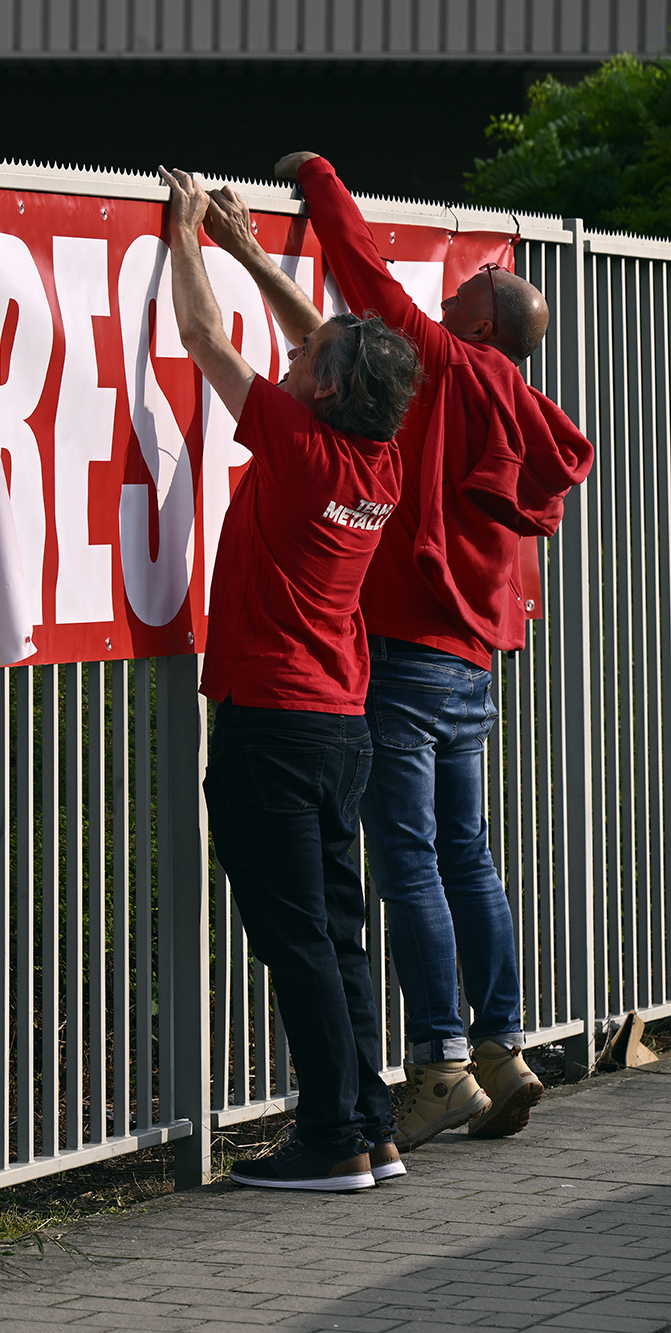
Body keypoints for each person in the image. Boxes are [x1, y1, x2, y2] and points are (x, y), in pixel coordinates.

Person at [208, 154, 594, 1151]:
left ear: (469, 325)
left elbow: (366, 281)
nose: (444, 293)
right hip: (477, 654)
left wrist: (321, 182)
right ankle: (501, 1042)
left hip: (402, 652)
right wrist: (255, 256)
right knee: (467, 853)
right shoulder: (518, 402)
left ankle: (437, 1065)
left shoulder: (443, 365)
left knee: (408, 858)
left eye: (459, 290)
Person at [158, 165, 420, 1192]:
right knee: (336, 932)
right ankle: (367, 1126)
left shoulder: (299, 447)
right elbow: (329, 345)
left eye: (309, 358)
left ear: (318, 390)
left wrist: (186, 239)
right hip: (337, 725)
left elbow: (204, 345)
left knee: (293, 935)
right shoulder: (374, 459)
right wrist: (255, 255)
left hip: (269, 725)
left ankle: (329, 1139)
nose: (301, 349)